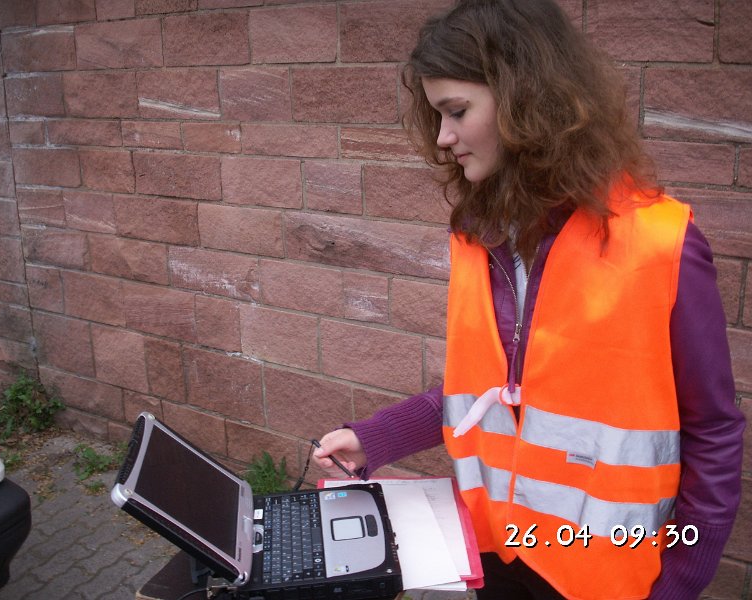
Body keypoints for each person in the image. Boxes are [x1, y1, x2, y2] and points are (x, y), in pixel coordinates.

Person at [311, 1, 745, 599]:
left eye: (457, 111)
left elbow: (713, 434)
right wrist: (376, 438)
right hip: (496, 560)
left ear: (526, 100)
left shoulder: (662, 245)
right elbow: (487, 390)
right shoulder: (477, 239)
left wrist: (679, 586)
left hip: (609, 580)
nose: (443, 137)